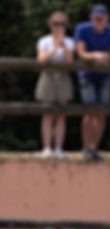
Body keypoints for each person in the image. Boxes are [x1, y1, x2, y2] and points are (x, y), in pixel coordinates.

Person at [74, 4, 110, 161]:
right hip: (87, 75)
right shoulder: (82, 29)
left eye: (101, 18)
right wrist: (96, 56)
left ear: (107, 19)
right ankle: (86, 147)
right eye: (96, 18)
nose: (98, 21)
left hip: (105, 76)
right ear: (91, 18)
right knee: (89, 111)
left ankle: (94, 147)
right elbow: (80, 53)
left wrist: (103, 57)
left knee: (101, 113)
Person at [35, 11, 74, 158]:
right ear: (50, 25)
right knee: (47, 114)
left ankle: (58, 148)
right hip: (48, 76)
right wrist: (54, 48)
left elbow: (70, 62)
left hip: (63, 77)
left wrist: (63, 45)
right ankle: (46, 148)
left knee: (61, 115)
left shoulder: (69, 42)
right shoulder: (44, 41)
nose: (59, 27)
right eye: (56, 23)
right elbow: (41, 59)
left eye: (62, 24)